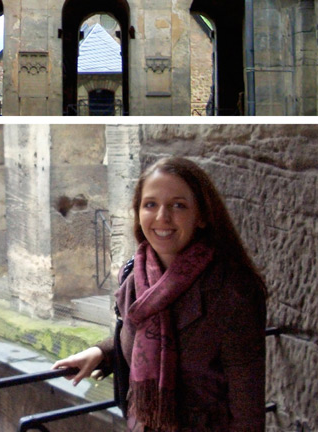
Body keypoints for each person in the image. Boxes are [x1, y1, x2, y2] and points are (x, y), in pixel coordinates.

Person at [54, 156, 266, 432]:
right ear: (138, 212)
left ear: (201, 216)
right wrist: (102, 352)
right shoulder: (134, 276)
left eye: (178, 205)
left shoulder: (231, 292)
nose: (162, 217)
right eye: (150, 205)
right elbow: (141, 332)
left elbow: (247, 412)